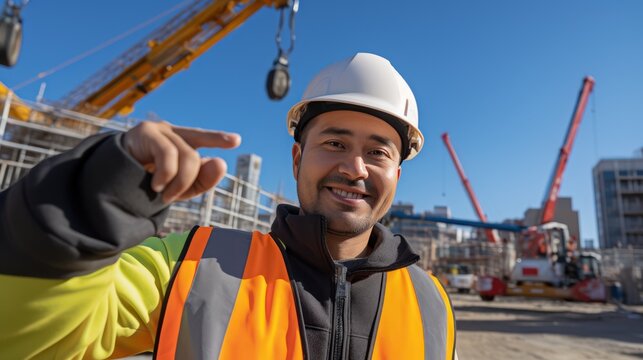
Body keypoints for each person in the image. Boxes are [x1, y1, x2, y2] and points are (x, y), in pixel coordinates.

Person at [0, 53, 456, 359]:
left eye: (378, 152)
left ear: (397, 174)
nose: (355, 167)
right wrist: (82, 205)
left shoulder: (431, 303)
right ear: (298, 159)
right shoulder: (189, 265)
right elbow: (29, 339)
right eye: (334, 142)